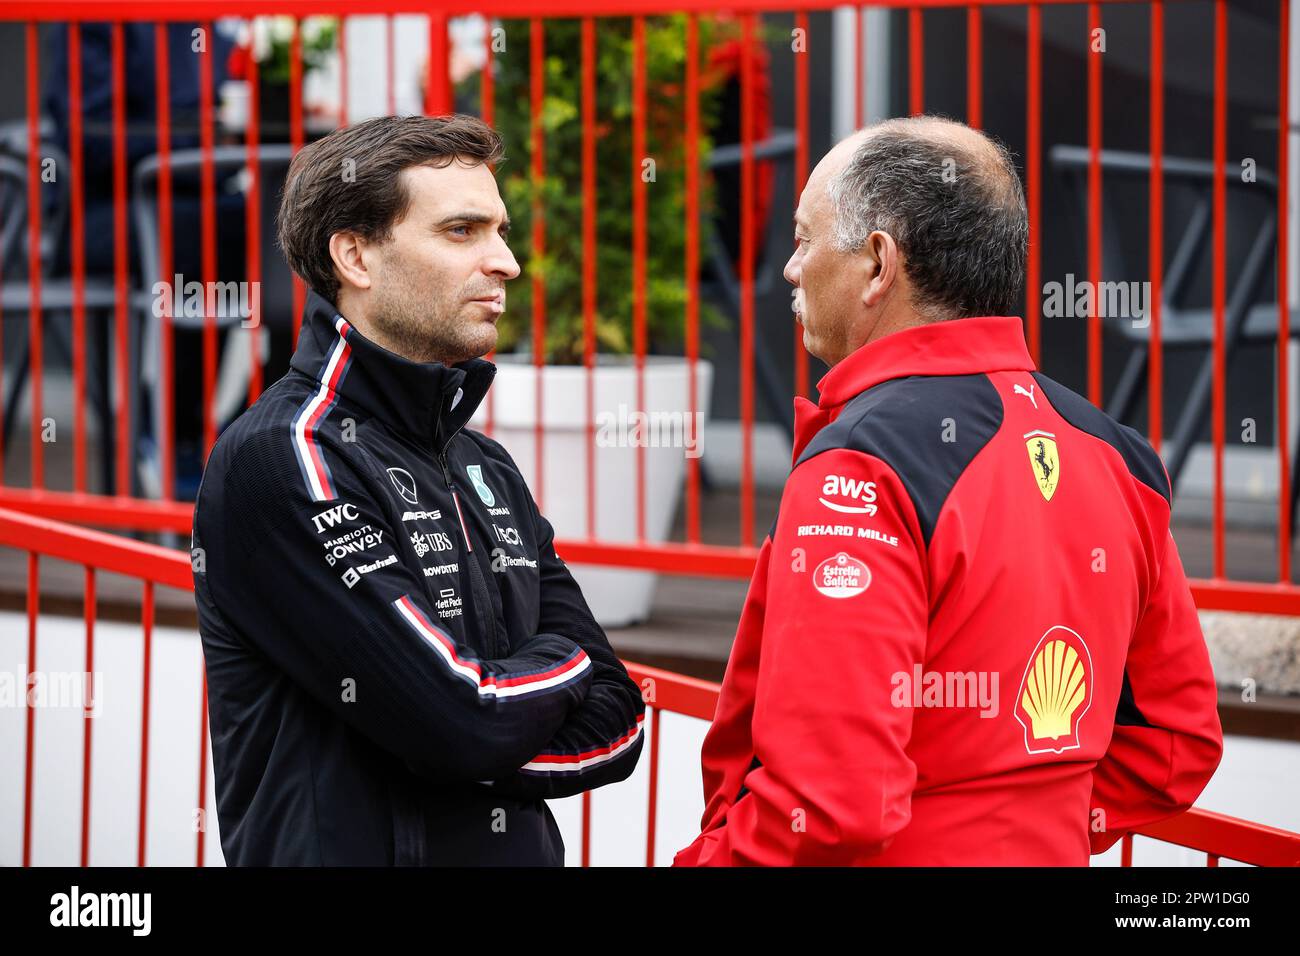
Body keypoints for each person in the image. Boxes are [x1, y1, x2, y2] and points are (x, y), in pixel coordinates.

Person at [673, 116, 1223, 866]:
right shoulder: (1119, 454)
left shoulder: (861, 463)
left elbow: (829, 804)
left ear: (877, 265)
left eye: (804, 239)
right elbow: (1177, 743)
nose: (790, 270)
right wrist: (1028, 829)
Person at [191, 114, 644, 866]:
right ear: (356, 256)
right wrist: (555, 673)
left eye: (500, 230)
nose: (507, 263)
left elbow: (619, 721)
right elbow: (463, 720)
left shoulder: (485, 463)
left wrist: (461, 733)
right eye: (463, 231)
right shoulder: (284, 457)